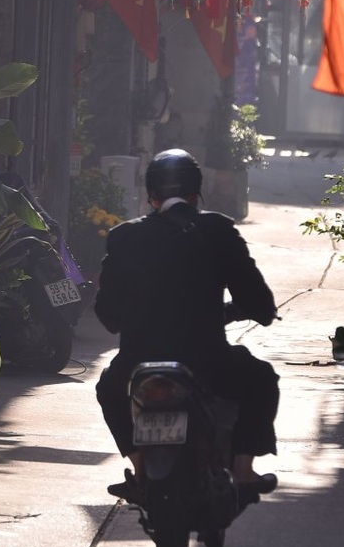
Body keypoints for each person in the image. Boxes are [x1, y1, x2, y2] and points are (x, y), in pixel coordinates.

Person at [93, 148, 280, 504]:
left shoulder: (123, 237)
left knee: (108, 390)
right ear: (197, 193)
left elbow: (108, 313)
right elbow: (257, 299)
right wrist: (257, 312)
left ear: (151, 196)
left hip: (138, 367)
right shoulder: (219, 230)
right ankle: (243, 470)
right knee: (261, 378)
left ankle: (140, 469)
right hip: (209, 365)